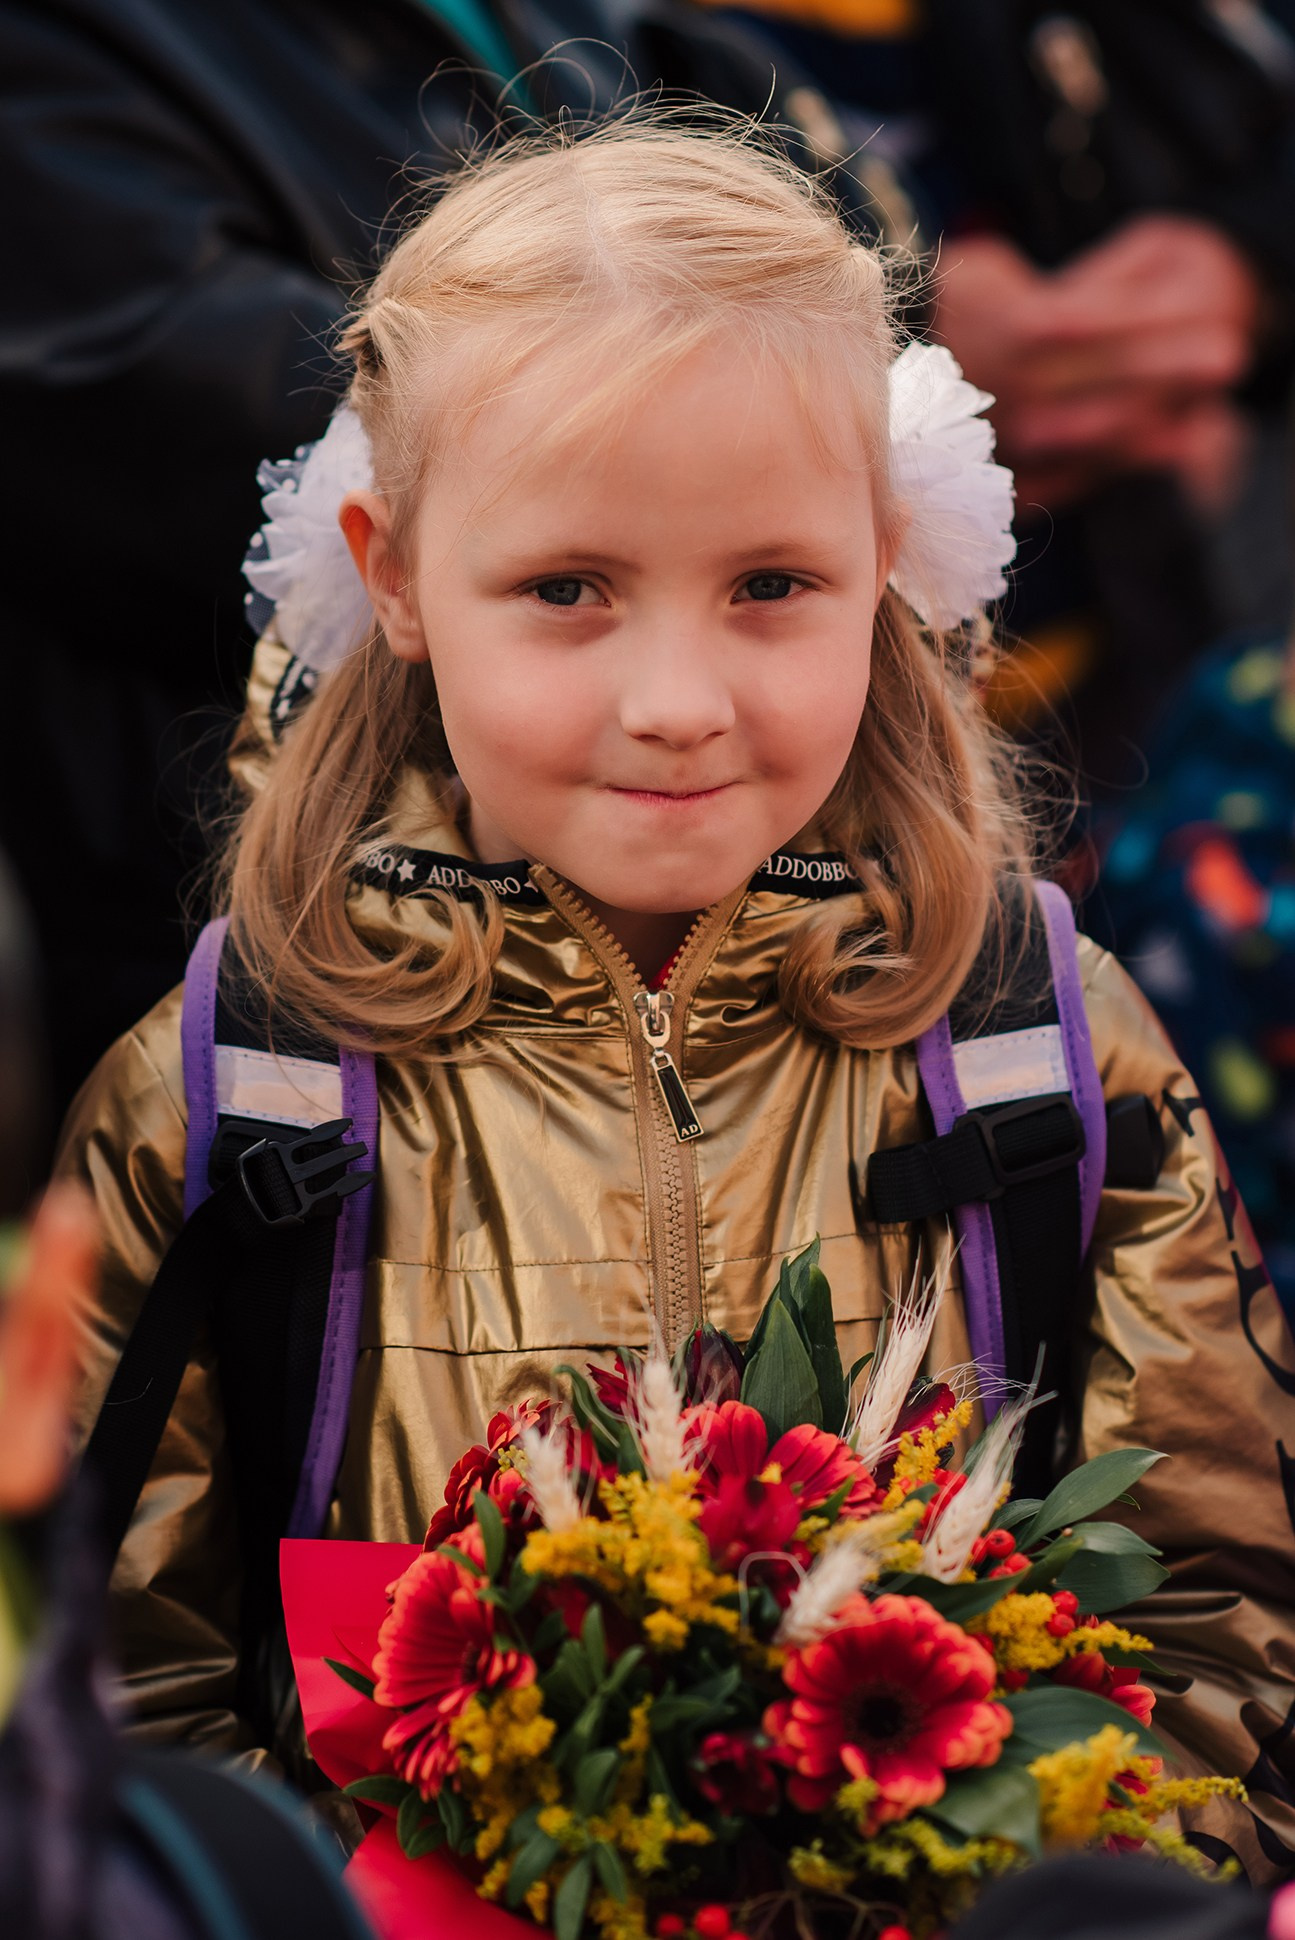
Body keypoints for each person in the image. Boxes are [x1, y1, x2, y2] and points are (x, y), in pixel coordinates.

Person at [58, 117, 1295, 1877]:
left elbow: (1222, 1631)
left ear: (886, 554)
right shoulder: (236, 1088)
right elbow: (117, 1698)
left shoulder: (1041, 1046)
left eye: (771, 586)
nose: (679, 701)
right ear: (395, 572)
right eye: (568, 590)